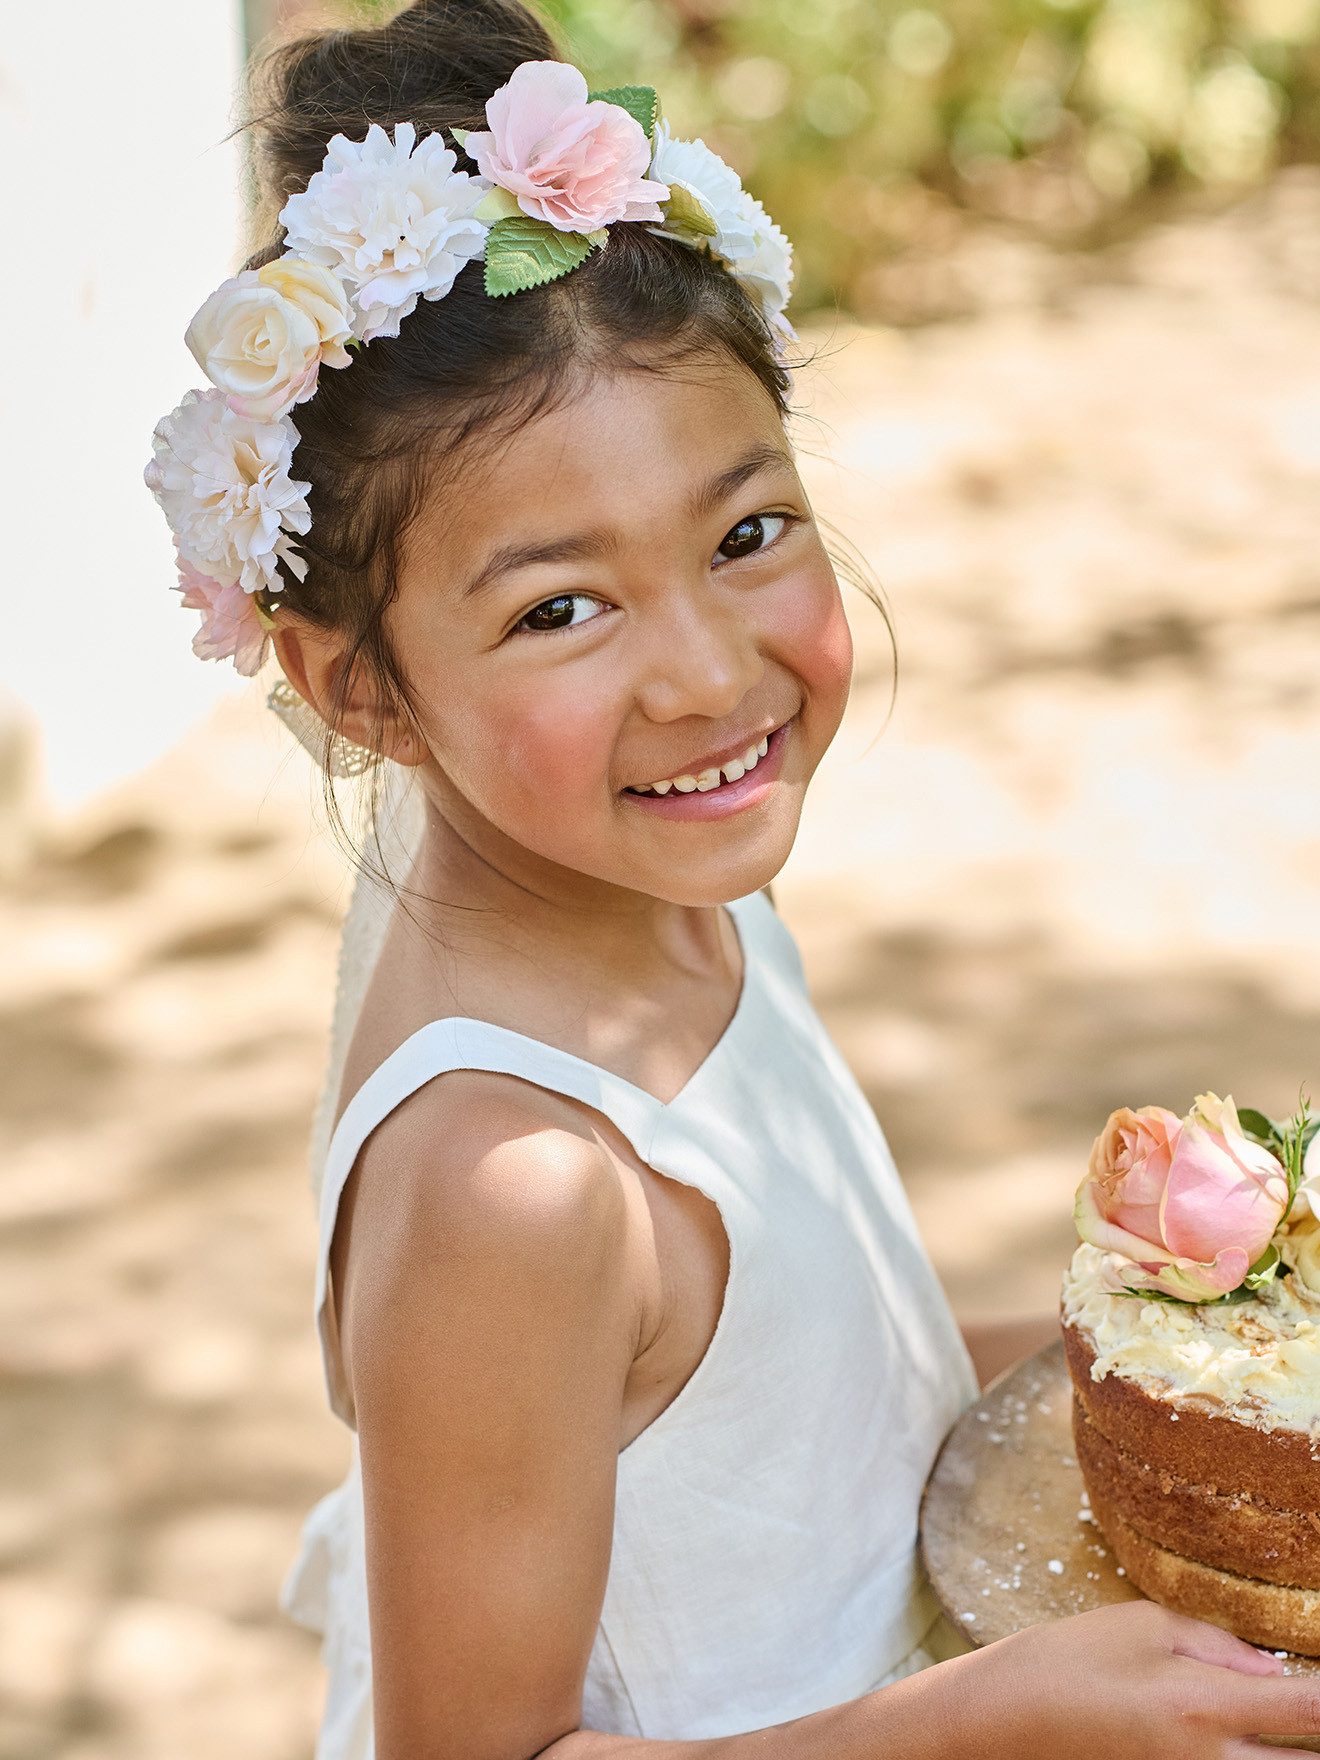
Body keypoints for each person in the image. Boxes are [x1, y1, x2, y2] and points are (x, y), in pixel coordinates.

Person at [143, 2, 1320, 1755]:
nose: (706, 675)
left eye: (746, 533)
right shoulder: (512, 1185)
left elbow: (808, 1390)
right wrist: (978, 1722)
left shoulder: (639, 869)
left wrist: (1209, 1370)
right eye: (562, 608)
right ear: (357, 689)